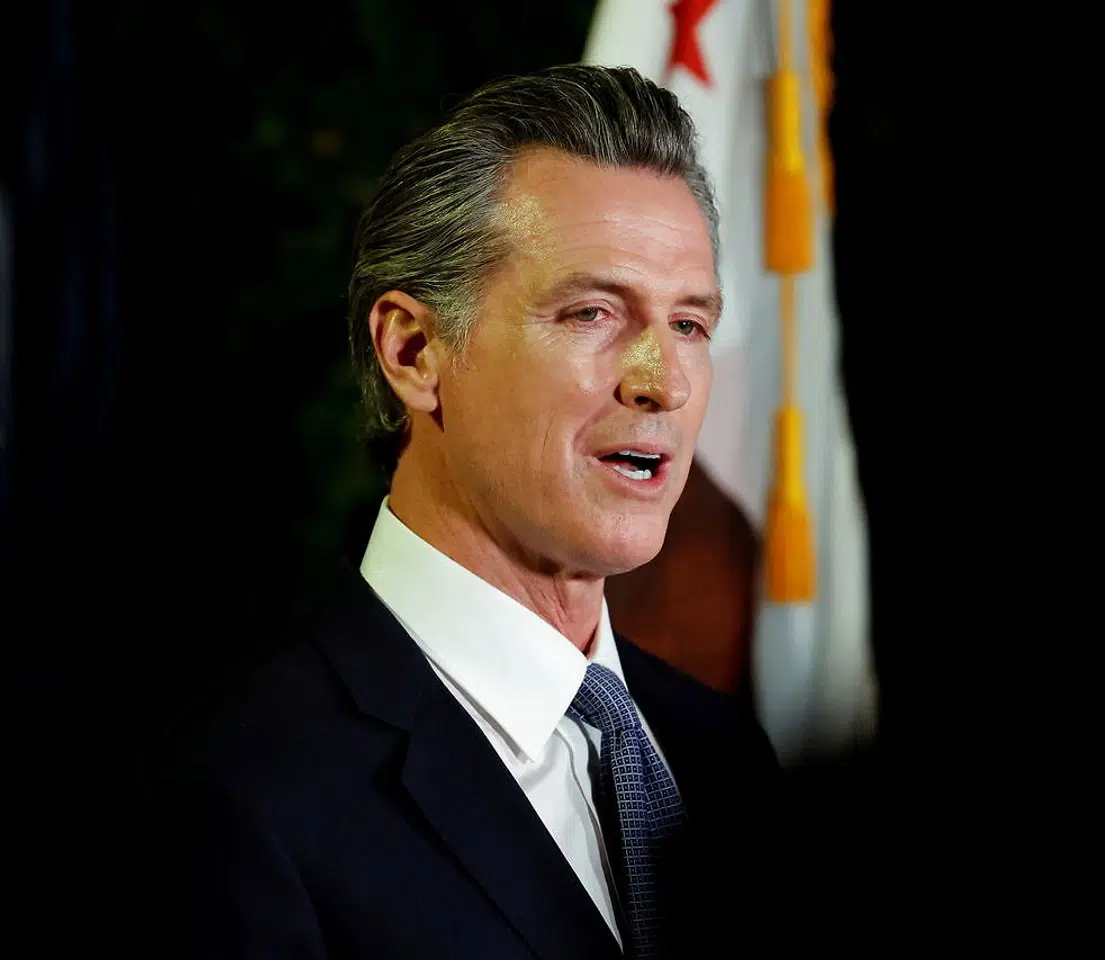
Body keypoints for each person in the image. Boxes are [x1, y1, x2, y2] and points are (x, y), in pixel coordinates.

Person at [127, 64, 782, 959]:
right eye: (593, 313)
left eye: (690, 325)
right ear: (413, 349)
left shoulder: (727, 760)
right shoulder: (238, 796)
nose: (662, 381)